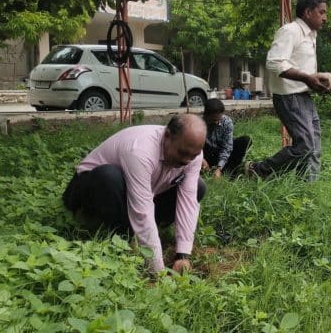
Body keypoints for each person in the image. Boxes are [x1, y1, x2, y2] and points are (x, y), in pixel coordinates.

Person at [62, 114, 208, 274]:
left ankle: (141, 234)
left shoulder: (192, 154)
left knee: (199, 186)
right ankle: (120, 234)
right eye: (182, 153)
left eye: (193, 156)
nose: (187, 160)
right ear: (167, 135)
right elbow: (142, 210)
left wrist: (183, 254)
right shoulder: (140, 149)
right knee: (109, 176)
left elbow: (188, 201)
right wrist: (157, 272)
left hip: (140, 193)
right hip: (90, 189)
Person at [246, 0, 331, 181]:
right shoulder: (290, 31)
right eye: (322, 12)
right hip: (289, 96)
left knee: (314, 146)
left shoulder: (311, 35)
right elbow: (275, 63)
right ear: (308, 12)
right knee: (305, 146)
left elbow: (301, 66)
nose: (325, 17)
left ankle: (305, 188)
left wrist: (315, 82)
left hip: (304, 96)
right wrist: (307, 78)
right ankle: (259, 170)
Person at [202, 98, 252, 179]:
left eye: (218, 118)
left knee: (245, 140)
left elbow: (227, 147)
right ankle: (205, 170)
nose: (216, 122)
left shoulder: (227, 122)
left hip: (221, 154)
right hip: (207, 155)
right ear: (206, 115)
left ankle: (229, 173)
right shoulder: (199, 123)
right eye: (213, 119)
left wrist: (219, 168)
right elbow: (194, 148)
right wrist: (202, 160)